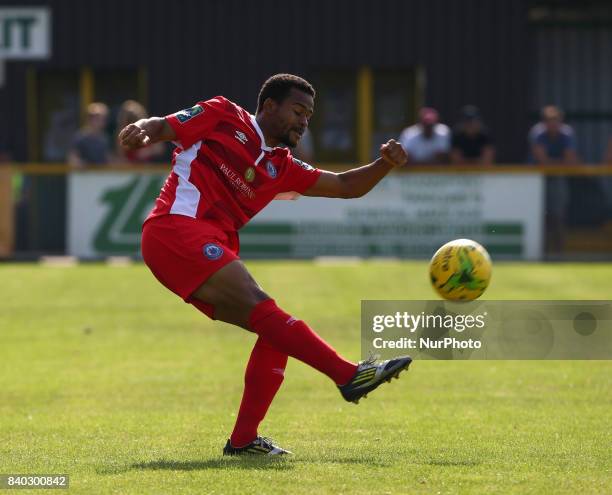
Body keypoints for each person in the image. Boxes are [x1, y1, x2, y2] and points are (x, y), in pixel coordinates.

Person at [119, 74, 412, 456]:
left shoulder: (282, 166)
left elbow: (344, 186)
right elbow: (163, 126)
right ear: (269, 106)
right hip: (175, 229)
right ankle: (348, 375)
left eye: (309, 114)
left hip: (201, 244)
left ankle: (243, 441)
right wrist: (141, 129)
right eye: (297, 110)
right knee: (265, 309)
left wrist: (384, 164)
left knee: (274, 333)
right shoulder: (224, 115)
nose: (304, 121)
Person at [528, 105, 578, 254]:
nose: (553, 123)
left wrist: (554, 163)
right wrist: (559, 162)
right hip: (537, 179)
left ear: (561, 121)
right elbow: (542, 161)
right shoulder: (537, 134)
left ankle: (558, 252)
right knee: (540, 216)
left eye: (555, 120)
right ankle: (540, 251)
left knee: (558, 215)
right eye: (549, 120)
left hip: (557, 178)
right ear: (544, 122)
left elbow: (570, 161)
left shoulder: (567, 134)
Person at [68, 102, 112, 167]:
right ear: (90, 119)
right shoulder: (80, 137)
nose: (102, 122)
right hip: (83, 176)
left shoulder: (105, 138)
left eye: (104, 119)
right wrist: (81, 164)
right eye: (98, 118)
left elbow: (108, 158)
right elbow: (72, 158)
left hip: (101, 175)